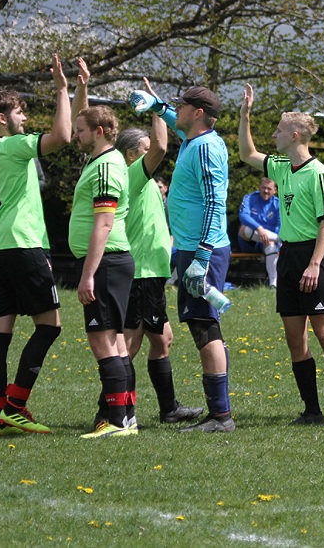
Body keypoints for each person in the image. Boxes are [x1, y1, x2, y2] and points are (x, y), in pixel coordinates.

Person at [239, 85, 324, 427]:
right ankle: (312, 411)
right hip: (288, 255)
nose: (273, 136)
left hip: (313, 256)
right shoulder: (281, 166)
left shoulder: (319, 174)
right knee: (294, 338)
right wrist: (244, 115)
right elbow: (247, 153)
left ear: (294, 135)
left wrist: (315, 264)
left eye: (278, 130)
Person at [0, 54, 72, 437]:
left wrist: (76, 92)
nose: (25, 118)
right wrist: (61, 90)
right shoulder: (11, 146)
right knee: (50, 326)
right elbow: (62, 137)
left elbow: (69, 128)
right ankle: (15, 406)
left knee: (0, 334)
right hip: (22, 244)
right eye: (19, 112)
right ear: (2, 118)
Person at [129, 82, 235, 433]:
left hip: (203, 249)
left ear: (198, 113)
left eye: (183, 106)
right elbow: (176, 121)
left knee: (205, 326)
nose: (179, 111)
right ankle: (219, 413)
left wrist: (202, 256)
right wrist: (156, 106)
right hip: (194, 248)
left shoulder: (205, 148)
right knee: (203, 324)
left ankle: (220, 416)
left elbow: (215, 202)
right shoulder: (195, 137)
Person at [114, 90, 204, 426]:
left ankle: (168, 409)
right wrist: (155, 107)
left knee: (162, 339)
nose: (150, 151)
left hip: (152, 271)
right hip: (140, 271)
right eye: (144, 148)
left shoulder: (145, 180)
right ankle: (114, 410)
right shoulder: (132, 175)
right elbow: (162, 146)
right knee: (129, 345)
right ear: (130, 155)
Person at [68, 102, 136, 438]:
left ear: (98, 132)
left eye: (80, 131)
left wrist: (87, 275)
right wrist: (75, 88)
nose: (75, 136)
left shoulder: (107, 166)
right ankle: (126, 418)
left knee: (103, 343)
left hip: (105, 263)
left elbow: (104, 223)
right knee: (117, 344)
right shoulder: (101, 160)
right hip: (111, 262)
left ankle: (117, 422)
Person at [238, 176, 281, 287]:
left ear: (275, 190)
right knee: (244, 229)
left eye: (269, 189)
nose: (266, 191)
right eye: (263, 188)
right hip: (249, 241)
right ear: (259, 187)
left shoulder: (278, 204)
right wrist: (259, 228)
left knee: (271, 245)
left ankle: (273, 284)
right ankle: (278, 239)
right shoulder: (249, 198)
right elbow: (243, 216)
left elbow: (280, 225)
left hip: (268, 242)